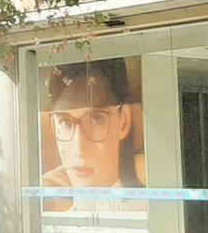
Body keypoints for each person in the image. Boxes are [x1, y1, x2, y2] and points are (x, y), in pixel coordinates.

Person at [40, 58, 146, 211]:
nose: (79, 149)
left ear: (124, 120)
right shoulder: (56, 216)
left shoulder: (151, 211)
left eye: (95, 120)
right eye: (65, 123)